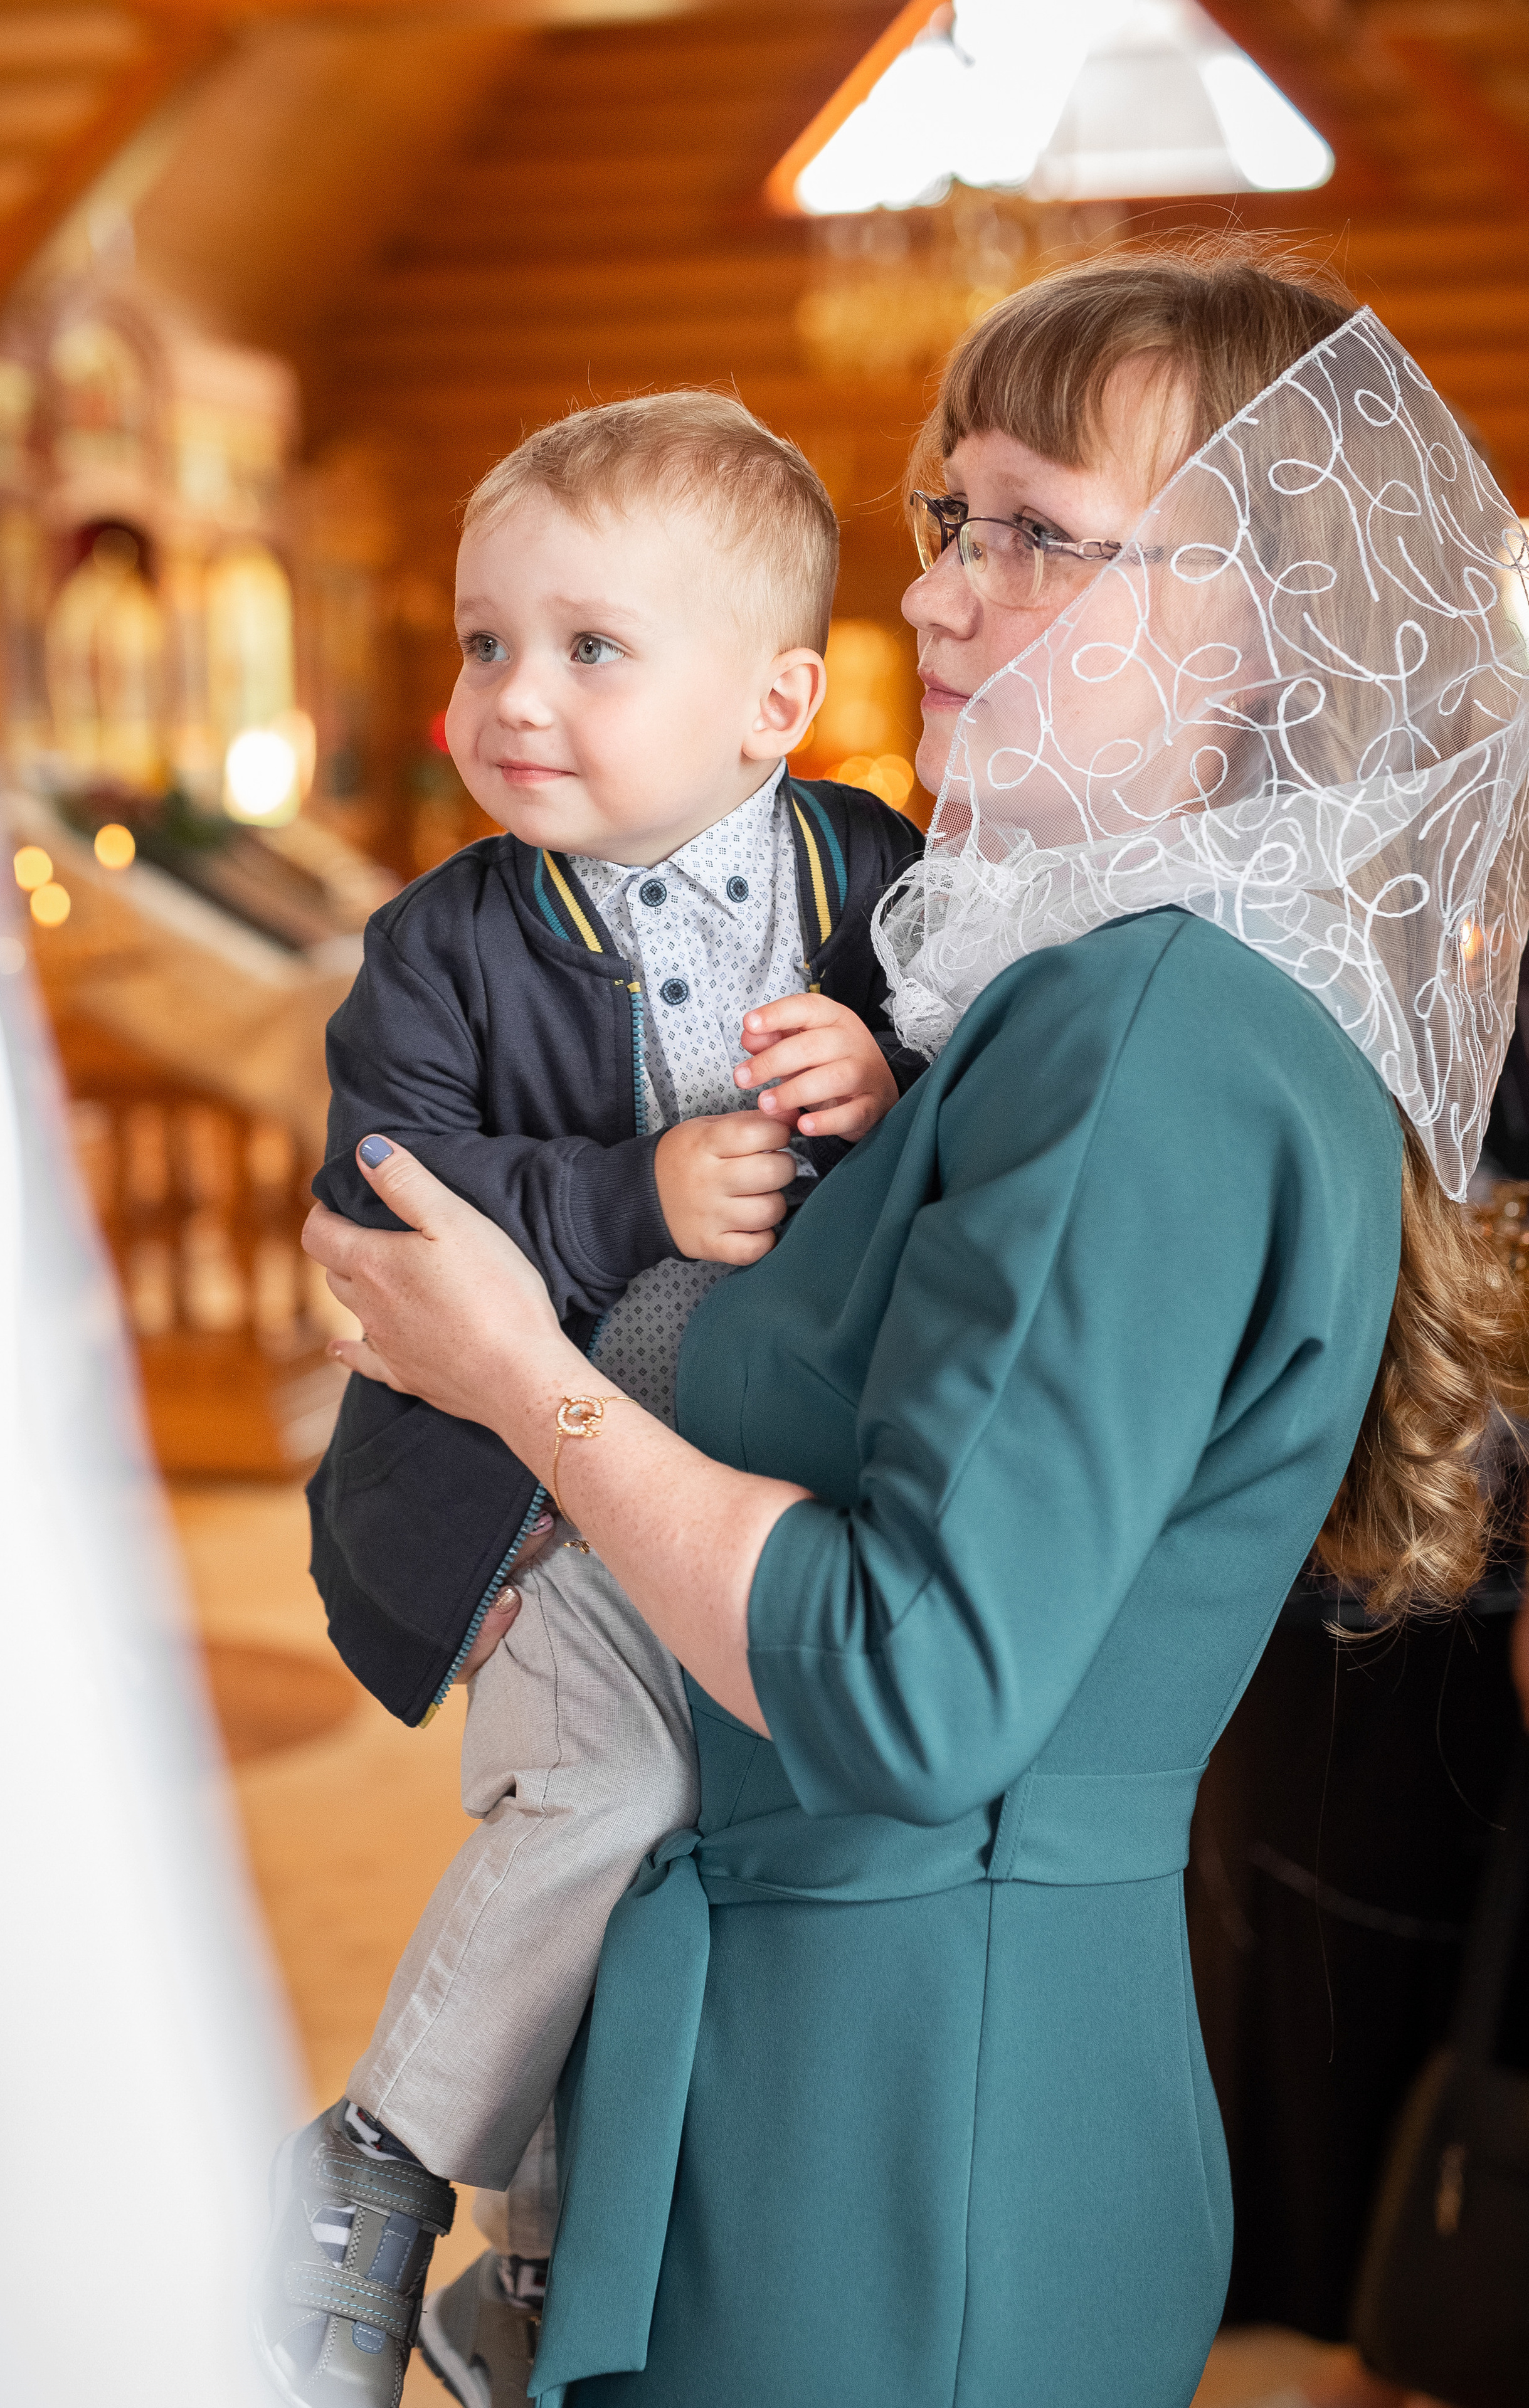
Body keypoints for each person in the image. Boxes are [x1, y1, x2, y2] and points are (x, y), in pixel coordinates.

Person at [300, 246, 1529, 2407]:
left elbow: (905, 1680)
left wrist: (517, 1370)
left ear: (1265, 628)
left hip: (895, 2136)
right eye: (951, 517)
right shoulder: (1043, 988)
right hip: (833, 2057)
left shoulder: (1145, 1031)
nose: (942, 592)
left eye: (1040, 533)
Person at [255, 392, 925, 2408]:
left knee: (683, 1872)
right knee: (600, 1802)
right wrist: (631, 1193)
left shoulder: (866, 875)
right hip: (528, 1503)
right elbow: (383, 1200)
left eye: (589, 647)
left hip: (755, 1492)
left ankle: (543, 2277)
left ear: (772, 702)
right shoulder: (443, 946)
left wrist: (886, 1089)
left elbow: (974, 1123)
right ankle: (373, 2166)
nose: (512, 697)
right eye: (484, 642)